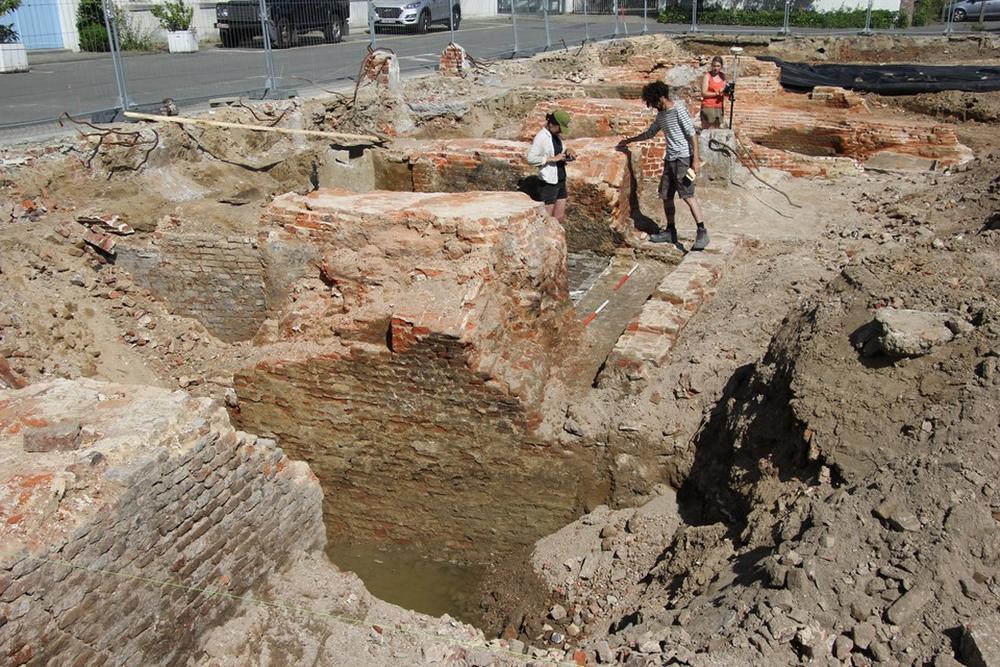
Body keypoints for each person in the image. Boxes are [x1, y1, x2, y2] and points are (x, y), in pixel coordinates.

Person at [617, 81, 709, 250]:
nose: (653, 106)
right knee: (666, 195)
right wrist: (629, 140)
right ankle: (670, 231)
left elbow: (692, 135)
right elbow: (650, 133)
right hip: (670, 159)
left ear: (661, 97)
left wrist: (695, 160)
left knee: (687, 195)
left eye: (653, 102)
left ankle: (702, 231)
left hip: (683, 159)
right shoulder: (661, 115)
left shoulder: (679, 110)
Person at [526, 109, 574, 223]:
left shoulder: (555, 136)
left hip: (560, 179)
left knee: (559, 218)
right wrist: (551, 159)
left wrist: (568, 151)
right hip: (548, 183)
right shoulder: (541, 137)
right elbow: (531, 159)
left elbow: (560, 150)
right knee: (547, 220)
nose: (560, 131)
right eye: (560, 128)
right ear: (552, 124)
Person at [700, 56, 727, 129]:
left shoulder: (723, 76)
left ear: (721, 66)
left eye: (718, 66)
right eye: (714, 66)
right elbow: (704, 93)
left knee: (716, 130)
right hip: (708, 106)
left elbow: (724, 90)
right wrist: (716, 93)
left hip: (719, 106)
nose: (716, 68)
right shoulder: (707, 76)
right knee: (707, 130)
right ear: (711, 66)